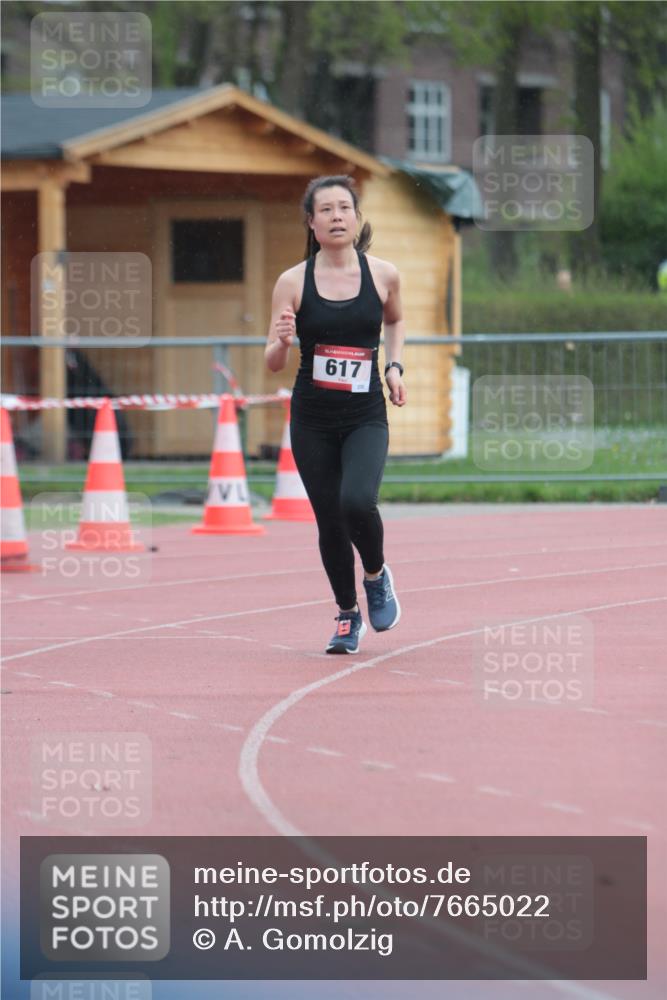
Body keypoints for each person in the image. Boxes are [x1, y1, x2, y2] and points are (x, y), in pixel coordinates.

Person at [264, 175, 406, 654]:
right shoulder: (292, 281)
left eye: (344, 208)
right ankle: (348, 614)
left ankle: (376, 575)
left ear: (357, 217)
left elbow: (395, 320)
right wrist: (282, 341)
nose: (337, 217)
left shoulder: (383, 275)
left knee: (357, 501)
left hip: (365, 413)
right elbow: (272, 362)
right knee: (329, 519)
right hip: (313, 418)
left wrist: (394, 367)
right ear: (312, 222)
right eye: (326, 210)